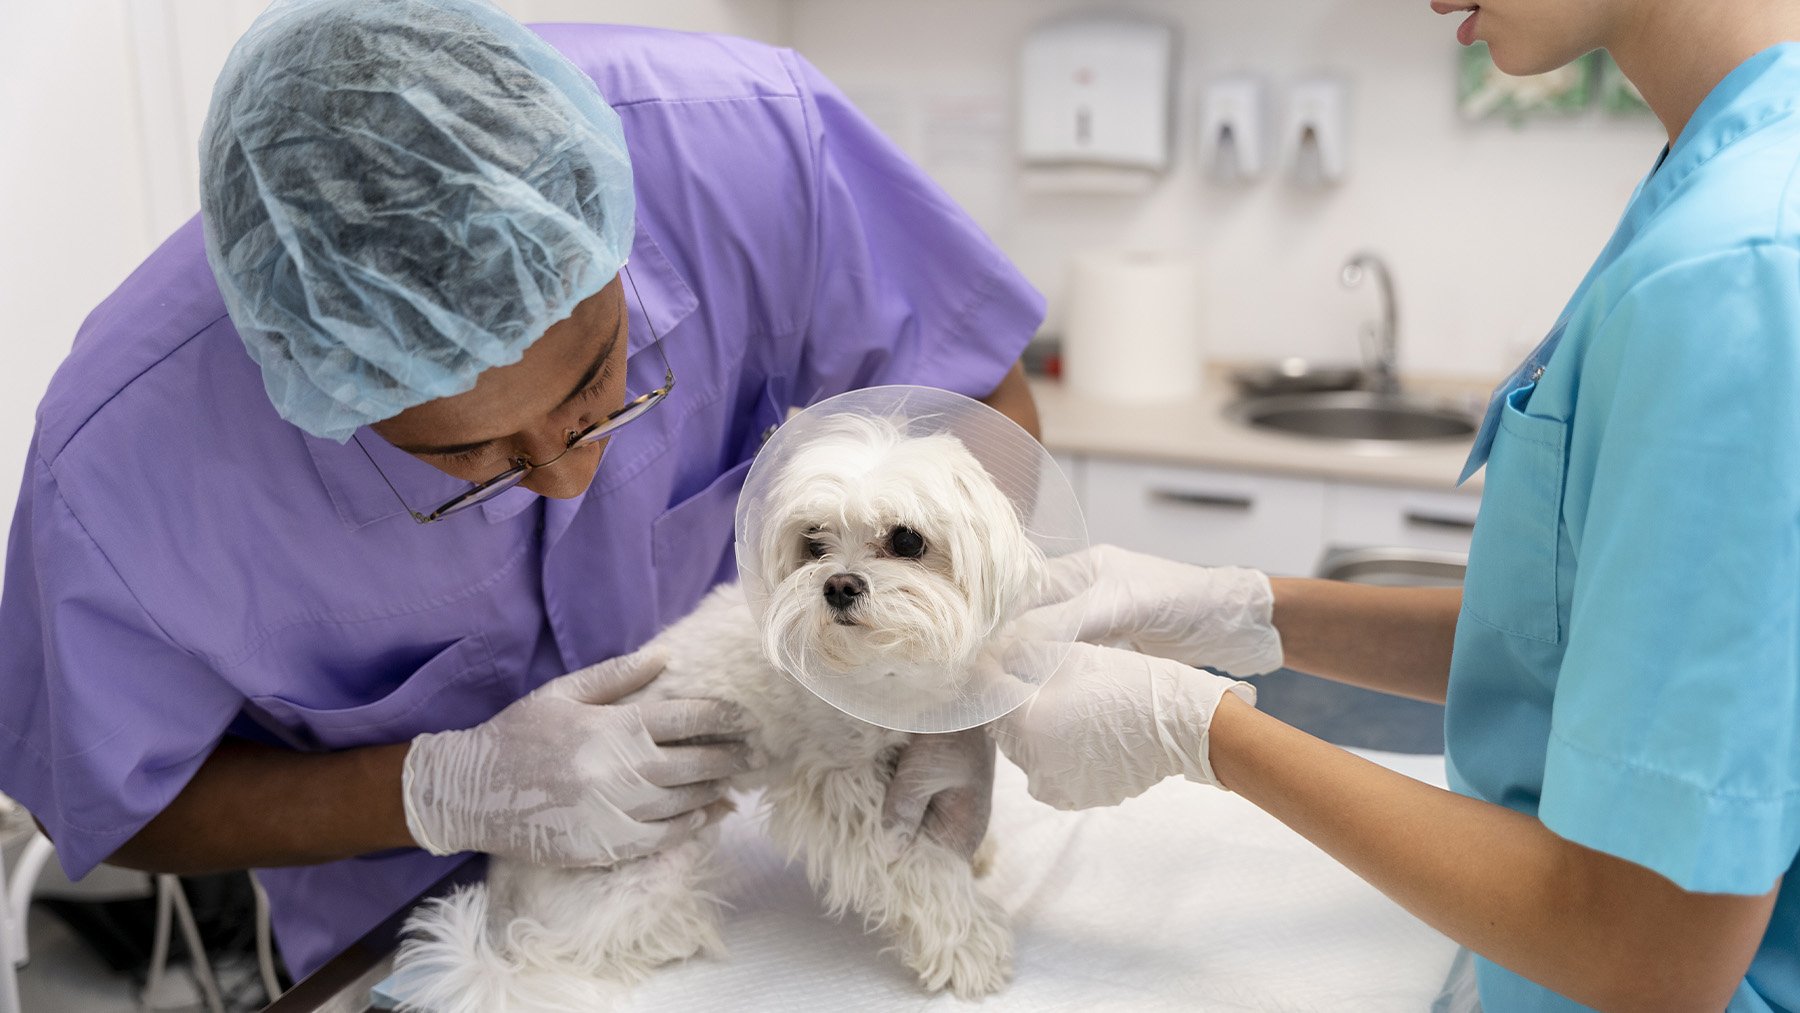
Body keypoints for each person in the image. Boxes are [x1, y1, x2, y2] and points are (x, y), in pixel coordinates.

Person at [0, 0, 1040, 981]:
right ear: (324, 394)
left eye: (604, 385)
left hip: (754, 850)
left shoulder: (749, 150)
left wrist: (953, 680)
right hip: (400, 925)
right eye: (470, 462)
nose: (574, 468)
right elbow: (111, 805)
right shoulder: (119, 475)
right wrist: (439, 788)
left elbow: (976, 387)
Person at [999, 1, 1800, 1009]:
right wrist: (1230, 606)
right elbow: (1593, 656)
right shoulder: (1725, 189)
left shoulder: (1736, 271)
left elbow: (1648, 950)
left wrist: (1204, 730)